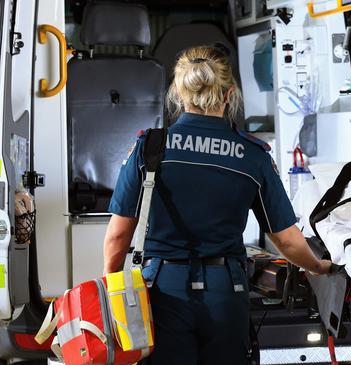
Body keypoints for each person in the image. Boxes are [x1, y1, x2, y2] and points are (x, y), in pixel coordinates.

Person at [103, 45, 332, 364]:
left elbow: (117, 236)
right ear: (230, 94)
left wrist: (111, 289)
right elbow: (287, 240)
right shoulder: (252, 155)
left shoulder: (151, 147)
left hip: (162, 290)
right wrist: (320, 267)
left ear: (180, 93)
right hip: (226, 291)